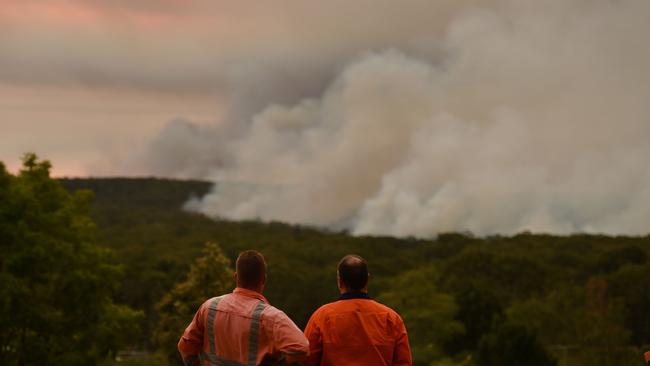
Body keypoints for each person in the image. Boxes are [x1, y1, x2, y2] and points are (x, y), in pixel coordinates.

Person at [178, 250, 309, 366]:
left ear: (236, 276)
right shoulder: (271, 316)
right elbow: (301, 347)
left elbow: (185, 346)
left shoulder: (209, 307)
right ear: (263, 279)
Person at [303, 254, 412, 366]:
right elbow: (403, 362)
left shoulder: (322, 316)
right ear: (367, 279)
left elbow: (306, 359)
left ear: (339, 280)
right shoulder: (391, 317)